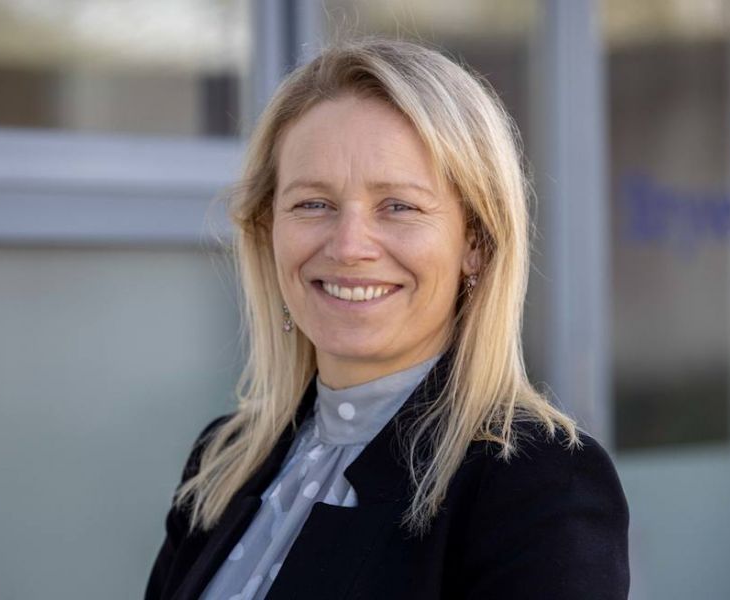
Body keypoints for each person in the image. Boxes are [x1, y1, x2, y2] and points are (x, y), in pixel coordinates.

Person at [145, 38, 629, 600]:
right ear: (267, 228)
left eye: (398, 206)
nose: (349, 247)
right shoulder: (225, 459)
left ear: (474, 240)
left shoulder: (538, 485)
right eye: (312, 204)